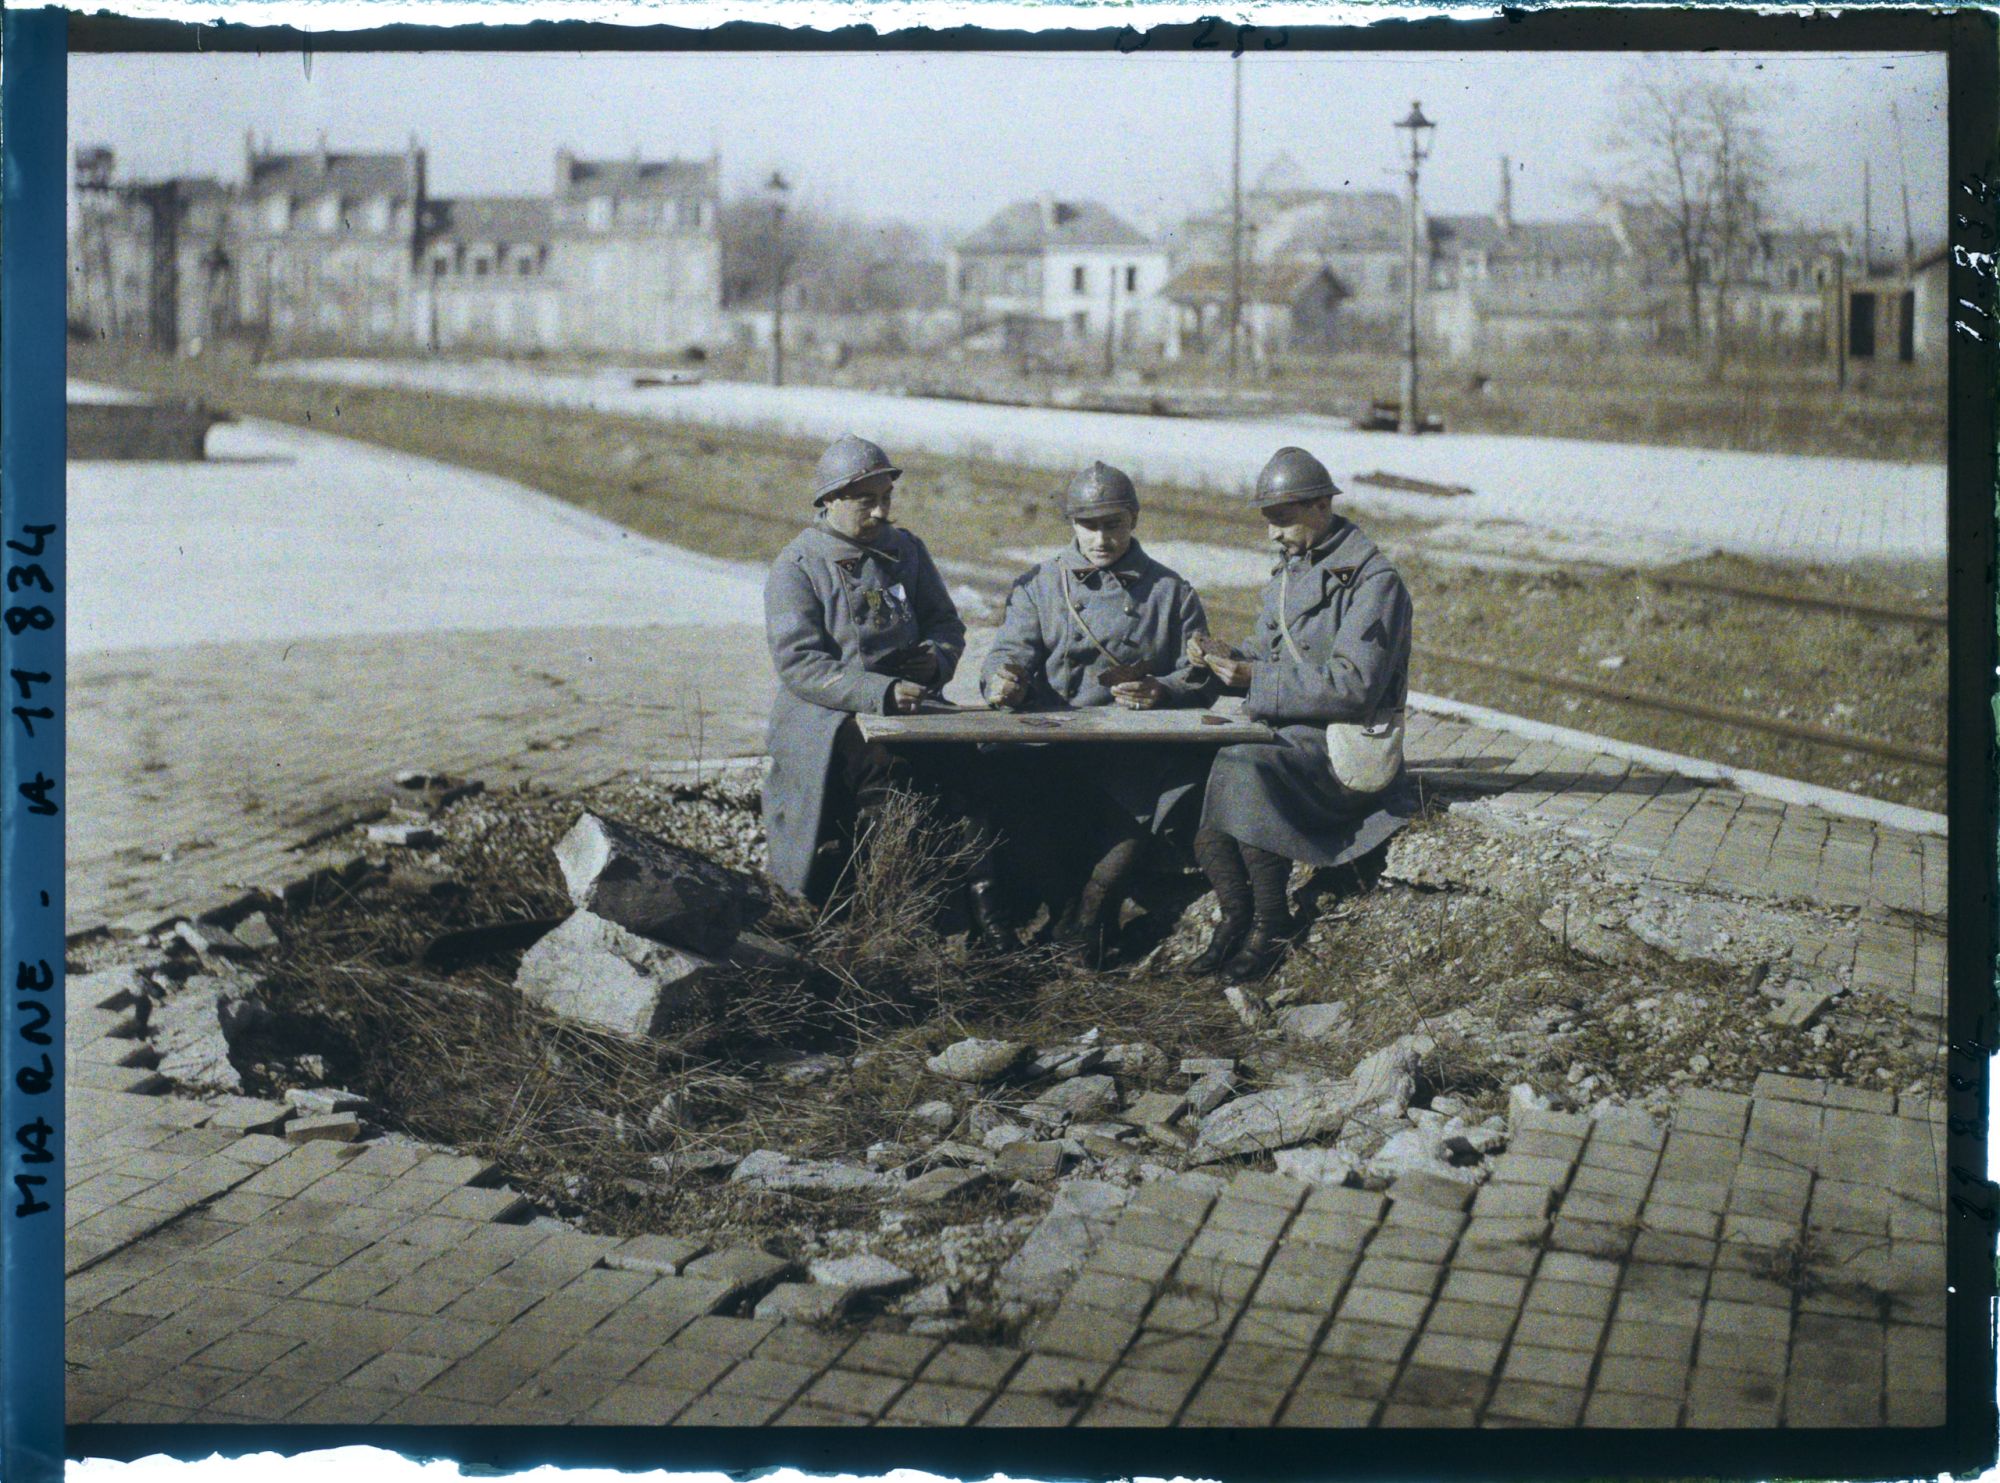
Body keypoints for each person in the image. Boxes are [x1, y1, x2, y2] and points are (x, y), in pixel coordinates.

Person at [761, 433, 1017, 949]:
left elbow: (946, 623)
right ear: (829, 501)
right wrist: (878, 692)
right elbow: (800, 663)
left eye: (886, 499)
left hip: (913, 706)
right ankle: (885, 917)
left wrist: (935, 660)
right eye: (865, 501)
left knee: (974, 768)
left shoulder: (906, 551)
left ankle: (989, 922)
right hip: (829, 717)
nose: (880, 512)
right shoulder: (798, 566)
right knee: (886, 776)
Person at [1186, 445, 1417, 983]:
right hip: (1294, 731)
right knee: (1201, 768)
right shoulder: (1292, 570)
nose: (1272, 533)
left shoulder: (1372, 581)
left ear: (1320, 506)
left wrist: (1255, 681)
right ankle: (1234, 917)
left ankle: (1273, 923)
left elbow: (1355, 686)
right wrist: (1222, 656)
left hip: (1344, 745)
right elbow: (1268, 654)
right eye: (1268, 521)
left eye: (1281, 520)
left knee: (1244, 768)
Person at [981, 461, 1215, 965]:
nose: (1102, 539)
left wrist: (1162, 691)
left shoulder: (1171, 592)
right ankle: (1065, 915)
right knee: (1008, 786)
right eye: (1089, 526)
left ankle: (1091, 915)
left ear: (1133, 520)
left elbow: (1200, 677)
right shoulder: (1040, 585)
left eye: (1113, 524)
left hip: (1134, 748)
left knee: (1138, 816)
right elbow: (1007, 652)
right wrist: (1005, 682)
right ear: (1071, 525)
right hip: (1056, 740)